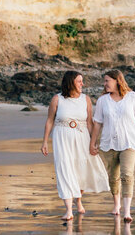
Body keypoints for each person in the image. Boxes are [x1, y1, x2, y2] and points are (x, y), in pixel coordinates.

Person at [42, 71, 110, 221]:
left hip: (82, 137)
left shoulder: (85, 99)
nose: (82, 84)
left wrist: (93, 142)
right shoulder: (57, 99)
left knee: (81, 170)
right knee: (64, 169)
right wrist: (45, 141)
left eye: (82, 81)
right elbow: (49, 121)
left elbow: (90, 123)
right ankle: (68, 210)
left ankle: (78, 200)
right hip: (62, 138)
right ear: (71, 82)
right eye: (79, 81)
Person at [89, 69, 135, 222]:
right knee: (113, 177)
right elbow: (97, 123)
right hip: (109, 143)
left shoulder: (134, 98)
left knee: (127, 174)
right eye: (105, 81)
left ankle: (127, 211)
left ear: (117, 80)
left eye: (107, 80)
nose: (105, 84)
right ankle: (117, 205)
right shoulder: (103, 100)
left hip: (130, 142)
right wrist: (92, 142)